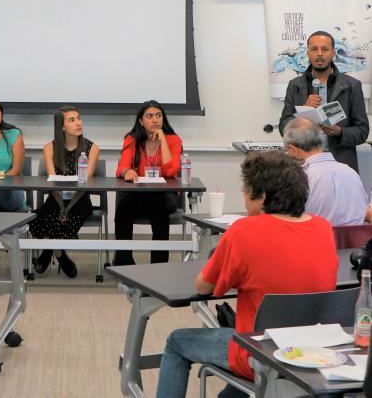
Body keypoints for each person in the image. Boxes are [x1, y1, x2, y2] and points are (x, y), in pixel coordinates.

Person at [155, 151, 338, 398]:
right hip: (311, 353)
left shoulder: (244, 230)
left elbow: (204, 287)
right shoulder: (322, 228)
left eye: (245, 189)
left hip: (259, 353)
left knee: (177, 341)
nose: (243, 196)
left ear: (261, 196)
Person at [279, 30, 368, 172]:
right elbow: (283, 127)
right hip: (303, 165)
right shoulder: (295, 85)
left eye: (325, 49)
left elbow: (362, 131)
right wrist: (302, 113)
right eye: (314, 49)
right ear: (308, 53)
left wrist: (340, 133)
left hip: (340, 165)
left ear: (333, 53)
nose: (319, 53)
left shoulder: (352, 85)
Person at [30, 106, 100, 278]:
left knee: (63, 222)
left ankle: (50, 251)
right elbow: (52, 181)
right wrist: (61, 205)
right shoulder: (49, 148)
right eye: (72, 120)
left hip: (80, 199)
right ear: (62, 126)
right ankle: (60, 254)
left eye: (78, 118)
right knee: (36, 220)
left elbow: (85, 182)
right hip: (56, 198)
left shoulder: (92, 148)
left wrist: (67, 209)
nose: (78, 123)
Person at [114, 100, 182, 264]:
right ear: (140, 121)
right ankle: (124, 263)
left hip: (165, 194)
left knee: (159, 209)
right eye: (149, 116)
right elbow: (121, 167)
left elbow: (170, 171)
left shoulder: (173, 140)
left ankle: (158, 266)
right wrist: (127, 171)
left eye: (158, 116)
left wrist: (163, 141)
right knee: (122, 211)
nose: (155, 120)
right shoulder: (132, 139)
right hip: (140, 193)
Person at [284, 118, 367, 226]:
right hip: (354, 241)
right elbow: (364, 211)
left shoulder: (300, 179)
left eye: (286, 150)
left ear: (293, 150)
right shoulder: (351, 172)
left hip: (314, 240)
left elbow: (289, 221)